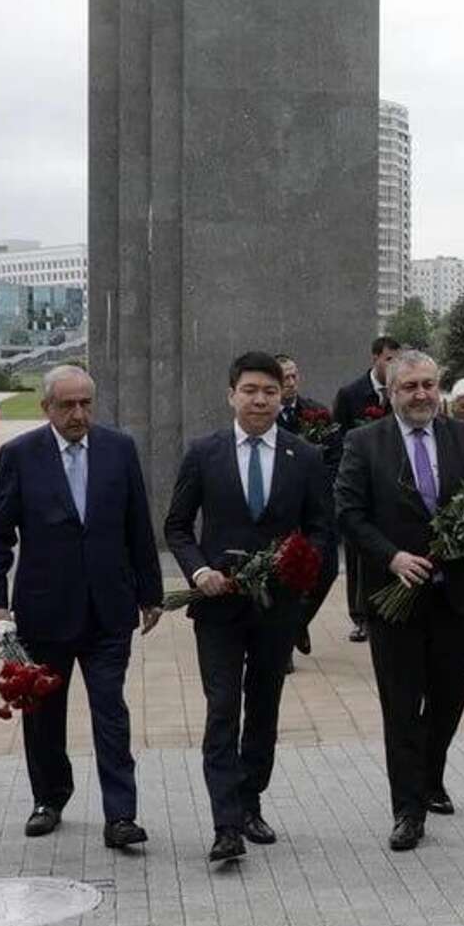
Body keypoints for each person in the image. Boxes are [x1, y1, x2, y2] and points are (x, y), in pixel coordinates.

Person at [0, 366, 163, 849]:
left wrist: (151, 592)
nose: (79, 414)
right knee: (43, 715)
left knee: (111, 712)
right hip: (43, 610)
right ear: (47, 408)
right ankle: (50, 798)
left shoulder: (119, 449)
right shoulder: (19, 456)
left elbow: (137, 526)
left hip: (109, 609)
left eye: (86, 404)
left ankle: (121, 815)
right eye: (67, 405)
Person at [164, 351, 335, 862]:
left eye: (270, 391)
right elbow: (177, 525)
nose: (260, 399)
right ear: (231, 395)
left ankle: (250, 800)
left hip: (275, 609)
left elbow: (323, 531)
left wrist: (299, 574)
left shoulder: (304, 456)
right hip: (218, 607)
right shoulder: (204, 452)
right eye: (250, 390)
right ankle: (225, 824)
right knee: (223, 710)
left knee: (263, 708)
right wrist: (199, 572)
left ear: (283, 396)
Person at [335, 350, 464, 850]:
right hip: (394, 595)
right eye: (410, 387)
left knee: (451, 696)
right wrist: (392, 558)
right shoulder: (365, 443)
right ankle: (408, 810)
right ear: (391, 393)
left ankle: (429, 775)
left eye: (429, 384)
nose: (422, 394)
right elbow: (348, 512)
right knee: (402, 706)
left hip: (456, 598)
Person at [333, 335, 402, 643]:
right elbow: (338, 440)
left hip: (395, 487)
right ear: (375, 358)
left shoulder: (402, 392)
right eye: (389, 359)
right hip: (360, 485)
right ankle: (360, 616)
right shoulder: (350, 394)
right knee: (357, 551)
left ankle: (387, 609)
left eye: (397, 359)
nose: (393, 365)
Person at [275, 352, 333, 665]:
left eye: (295, 375)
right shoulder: (265, 415)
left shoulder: (318, 413)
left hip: (315, 507)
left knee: (326, 569)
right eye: (285, 377)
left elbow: (337, 456)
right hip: (281, 510)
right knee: (286, 577)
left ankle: (298, 624)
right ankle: (282, 648)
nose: (291, 382)